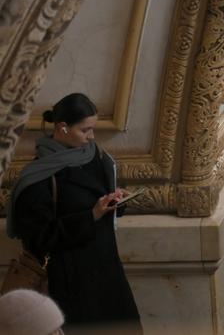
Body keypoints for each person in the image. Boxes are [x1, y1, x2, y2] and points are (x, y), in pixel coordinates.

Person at [6, 93, 140, 328]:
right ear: (63, 128)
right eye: (85, 130)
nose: (91, 137)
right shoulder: (38, 177)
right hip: (69, 282)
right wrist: (91, 216)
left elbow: (98, 203)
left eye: (92, 129)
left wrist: (115, 201)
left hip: (107, 273)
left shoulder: (94, 157)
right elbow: (39, 238)